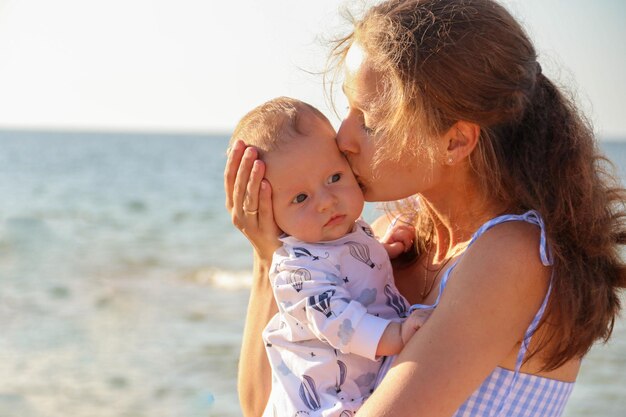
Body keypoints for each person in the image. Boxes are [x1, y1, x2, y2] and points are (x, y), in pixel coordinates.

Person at [224, 1, 626, 416]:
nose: (343, 138)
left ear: (455, 142)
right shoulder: (383, 241)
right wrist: (271, 253)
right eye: (348, 108)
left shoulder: (511, 256)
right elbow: (264, 404)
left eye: (371, 121)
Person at [228, 96, 424, 416]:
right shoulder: (296, 270)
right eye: (300, 197)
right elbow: (337, 322)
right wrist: (396, 336)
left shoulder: (351, 233)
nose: (325, 201)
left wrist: (383, 251)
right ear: (268, 211)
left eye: (334, 178)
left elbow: (351, 269)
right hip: (320, 404)